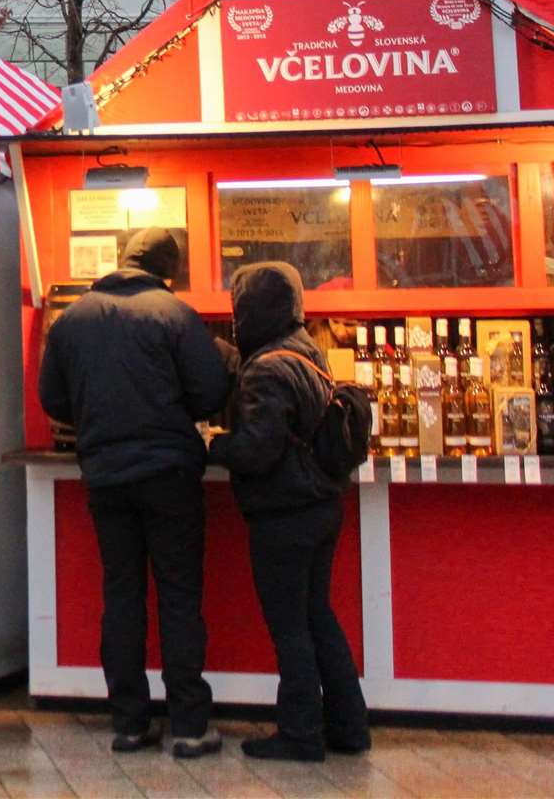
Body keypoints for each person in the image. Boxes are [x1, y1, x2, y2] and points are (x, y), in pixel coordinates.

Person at [38, 228, 232, 758]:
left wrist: (96, 419)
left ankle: (128, 722)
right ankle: (190, 725)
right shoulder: (174, 314)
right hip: (170, 474)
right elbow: (213, 391)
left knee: (121, 595)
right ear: (167, 271)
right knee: (178, 595)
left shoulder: (72, 319)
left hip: (103, 474)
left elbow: (51, 397)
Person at [210, 263, 370, 762]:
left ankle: (300, 734)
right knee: (318, 617)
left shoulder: (266, 369)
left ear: (253, 311)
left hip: (285, 514)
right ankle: (348, 726)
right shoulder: (307, 352)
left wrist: (214, 444)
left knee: (291, 627)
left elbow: (259, 449)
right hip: (322, 505)